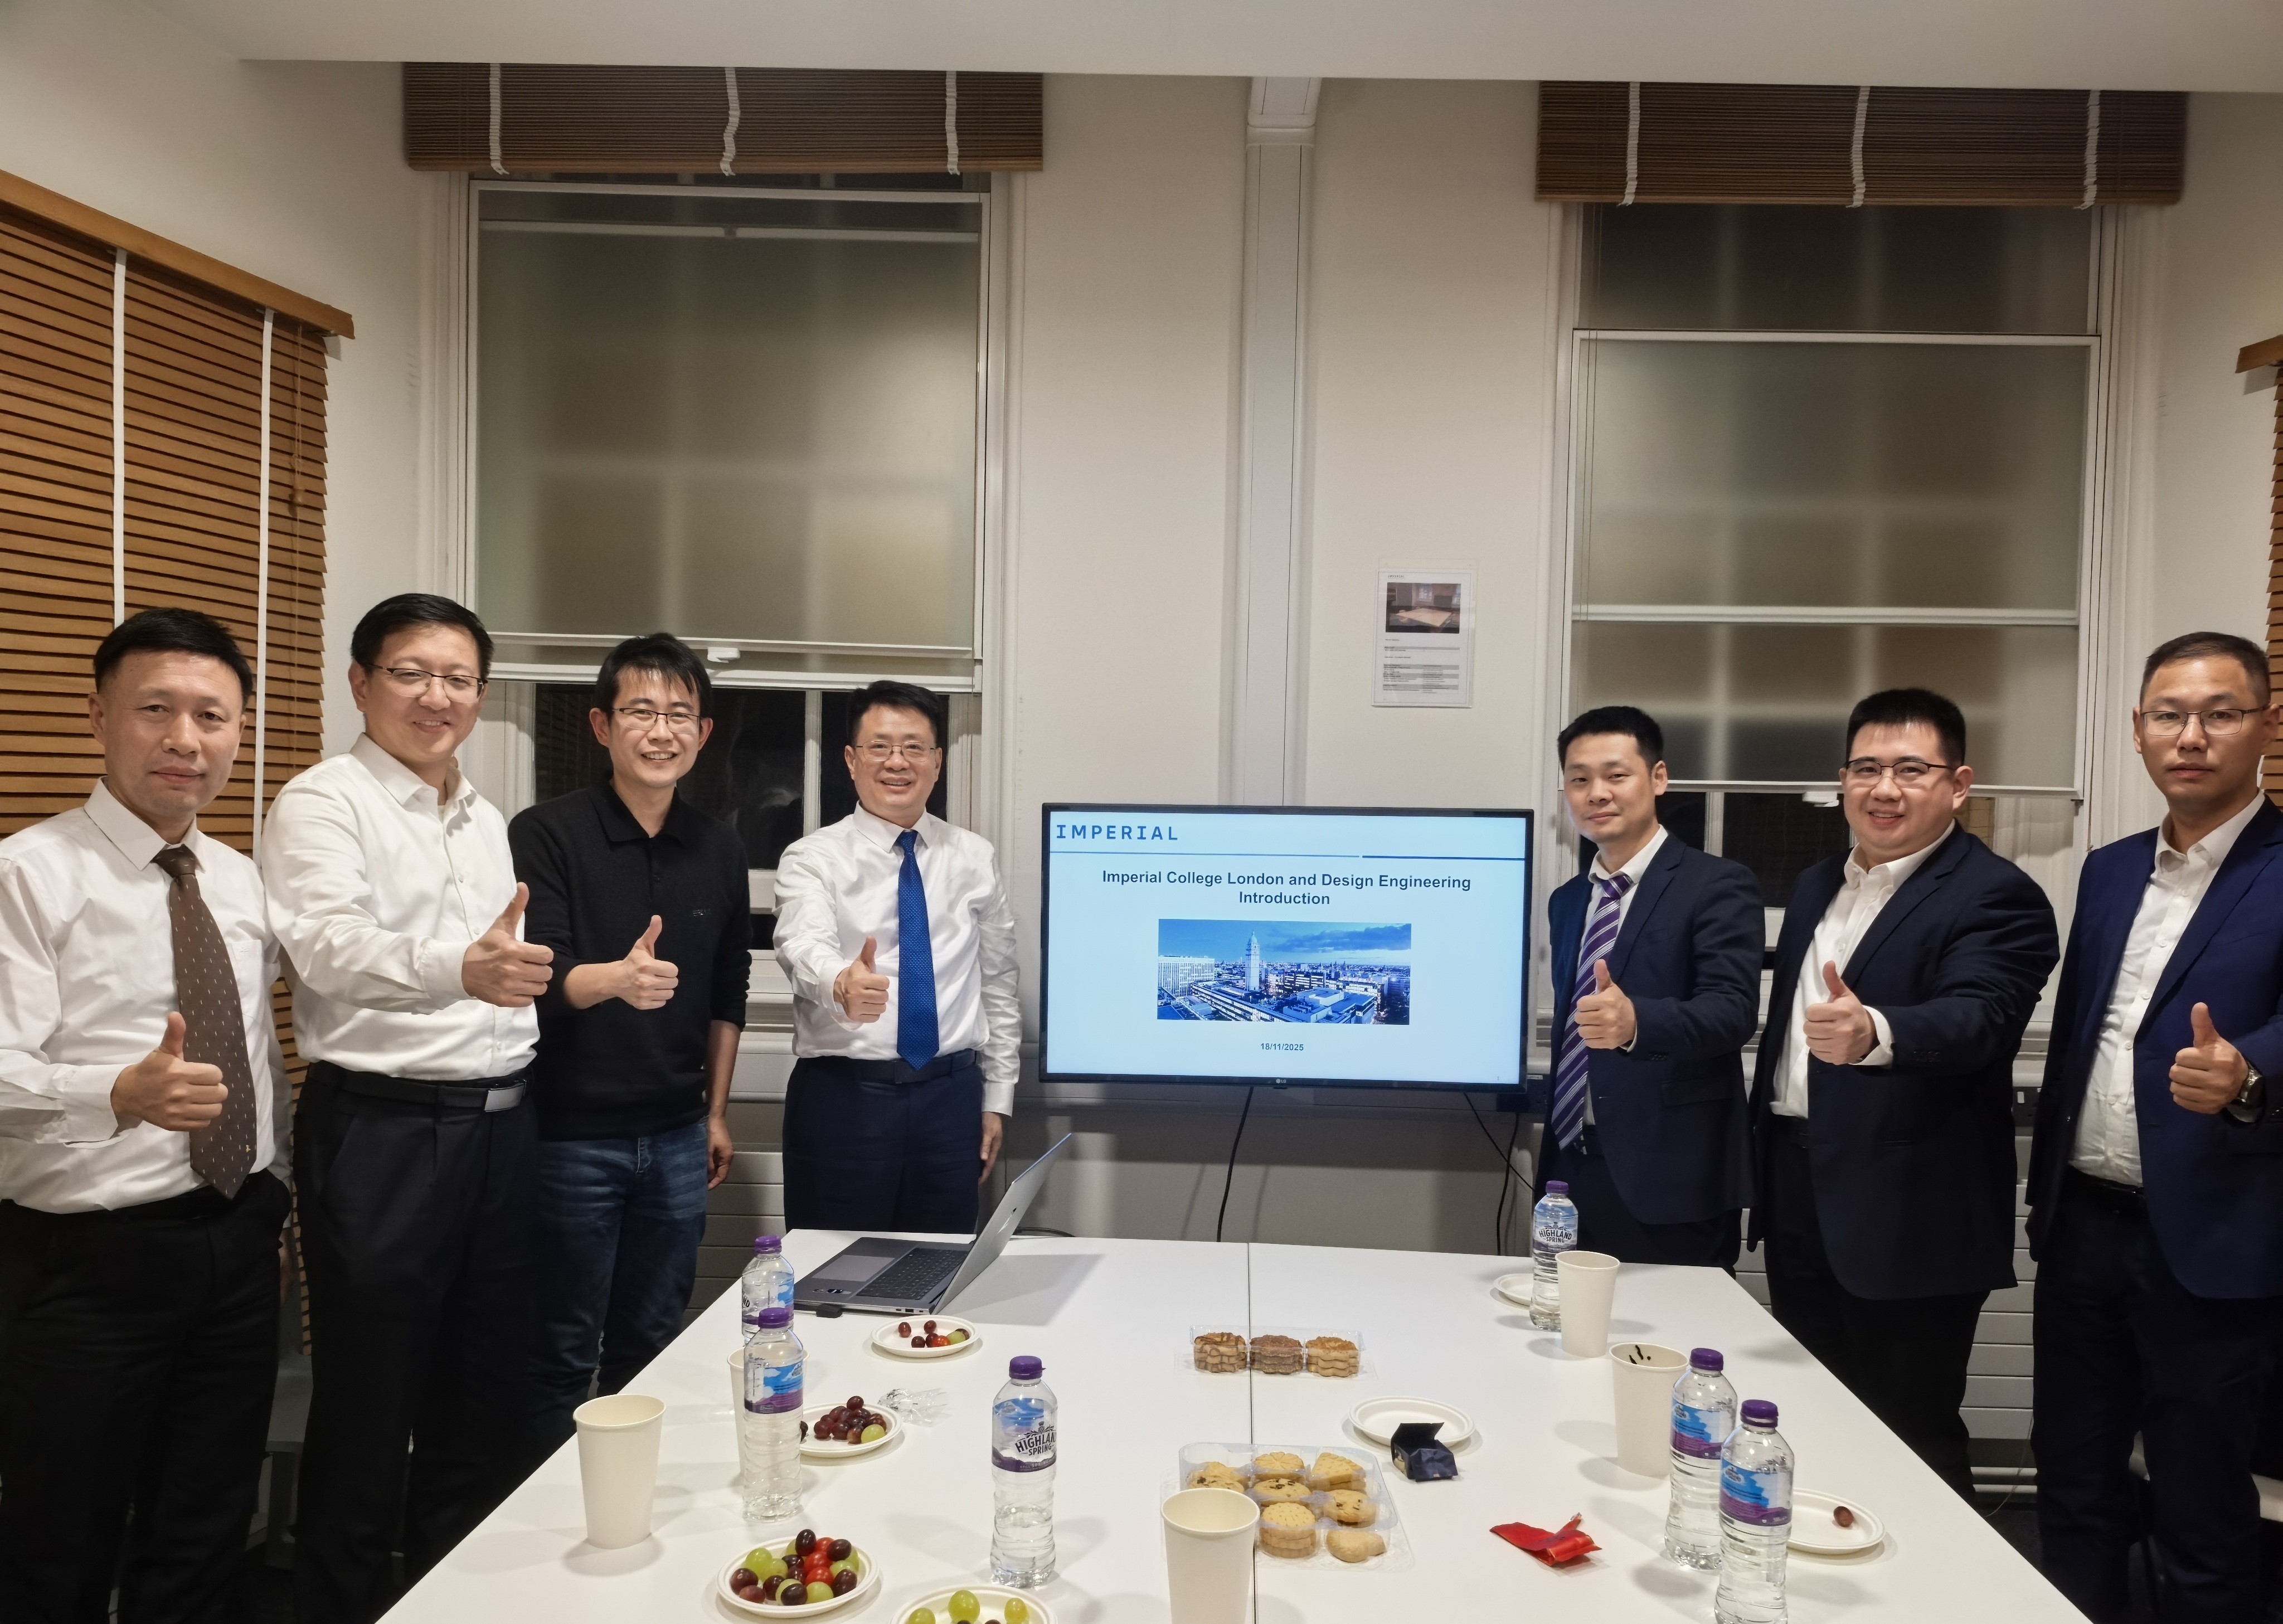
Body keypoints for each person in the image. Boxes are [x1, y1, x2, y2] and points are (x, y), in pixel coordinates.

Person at [263, 594, 552, 1624]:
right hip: (383, 1131)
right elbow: (324, 945)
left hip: (501, 1128)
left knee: (485, 1397)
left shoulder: (483, 814)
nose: (439, 696)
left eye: (460, 679)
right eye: (413, 673)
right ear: (361, 682)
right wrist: (457, 968)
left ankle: (454, 1601)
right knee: (369, 1400)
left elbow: (501, 967)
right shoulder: (323, 801)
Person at [0, 608, 293, 1623]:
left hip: (236, 1236)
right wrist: (115, 1092)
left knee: (207, 1521)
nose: (185, 739)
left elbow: (260, 1051)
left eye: (212, 715)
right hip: (89, 1261)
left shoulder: (239, 878)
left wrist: (273, 1191)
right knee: (61, 1535)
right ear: (99, 717)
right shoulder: (29, 873)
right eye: (155, 709)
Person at [1746, 687, 2057, 1504]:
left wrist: (1877, 1031)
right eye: (1866, 768)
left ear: (1958, 785)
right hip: (1799, 1188)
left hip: (1912, 1209)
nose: (1884, 788)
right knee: (1814, 1419)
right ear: (1842, 780)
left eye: (1911, 769)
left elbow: (1982, 1016)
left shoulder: (1997, 893)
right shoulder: (1818, 884)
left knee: (1909, 1434)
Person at [2027, 630, 2283, 1623]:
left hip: (2212, 1243)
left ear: (2265, 725)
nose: (2192, 736)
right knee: (2073, 1485)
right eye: (2169, 715)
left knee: (2200, 1509)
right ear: (2138, 730)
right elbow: (2081, 1039)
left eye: (2221, 713)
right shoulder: (2109, 869)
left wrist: (2250, 1071)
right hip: (2085, 1227)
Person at [509, 633, 751, 1446]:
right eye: (641, 711)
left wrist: (714, 1112)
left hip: (679, 1138)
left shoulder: (719, 844)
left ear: (703, 733)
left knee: (651, 1347)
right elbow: (539, 974)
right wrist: (614, 978)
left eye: (680, 714)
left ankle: (632, 1499)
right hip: (570, 1138)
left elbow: (728, 990)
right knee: (557, 1351)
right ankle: (547, 1507)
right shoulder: (547, 832)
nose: (661, 730)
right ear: (602, 725)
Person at [773, 681, 1018, 1231]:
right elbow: (800, 943)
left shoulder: (974, 857)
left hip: (952, 1098)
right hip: (843, 1099)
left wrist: (996, 1097)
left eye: (914, 747)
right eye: (880, 747)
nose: (897, 762)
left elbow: (998, 981)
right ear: (851, 760)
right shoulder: (813, 858)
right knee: (831, 1265)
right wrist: (839, 981)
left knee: (940, 1264)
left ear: (938, 761)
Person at [1534, 706, 1763, 1266]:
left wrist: (1638, 1021)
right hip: (1571, 1166)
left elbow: (1733, 1012)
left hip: (1671, 1175)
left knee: (1672, 1320)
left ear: (1658, 778)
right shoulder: (1568, 901)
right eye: (1579, 779)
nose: (1597, 793)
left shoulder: (1716, 884)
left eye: (1616, 775)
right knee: (1562, 1315)